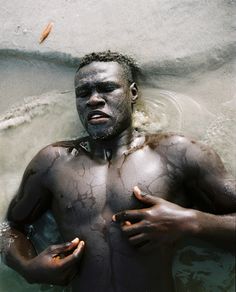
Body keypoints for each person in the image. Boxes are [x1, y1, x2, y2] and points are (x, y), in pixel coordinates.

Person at [4, 51, 236, 292]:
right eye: (83, 93)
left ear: (132, 92)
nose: (93, 100)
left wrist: (189, 222)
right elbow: (9, 228)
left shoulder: (176, 154)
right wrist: (27, 267)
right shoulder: (52, 163)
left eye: (107, 88)